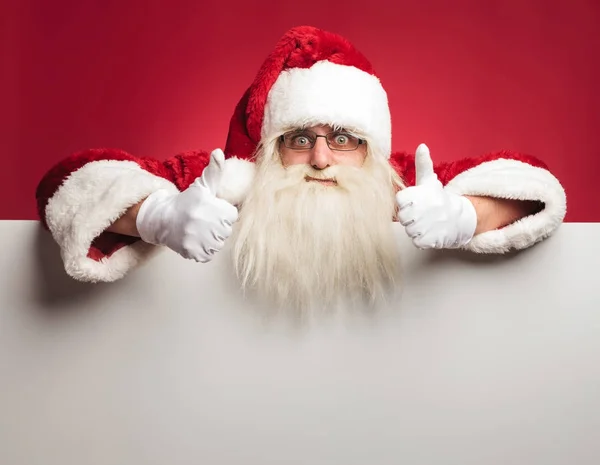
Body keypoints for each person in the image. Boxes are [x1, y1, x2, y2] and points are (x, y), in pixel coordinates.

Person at [35, 25, 567, 310]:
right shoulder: (225, 179)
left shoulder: (403, 183)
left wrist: (466, 216)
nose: (319, 158)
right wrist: (156, 215)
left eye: (342, 139)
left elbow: (534, 185)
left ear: (371, 148)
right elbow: (67, 182)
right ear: (270, 147)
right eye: (299, 138)